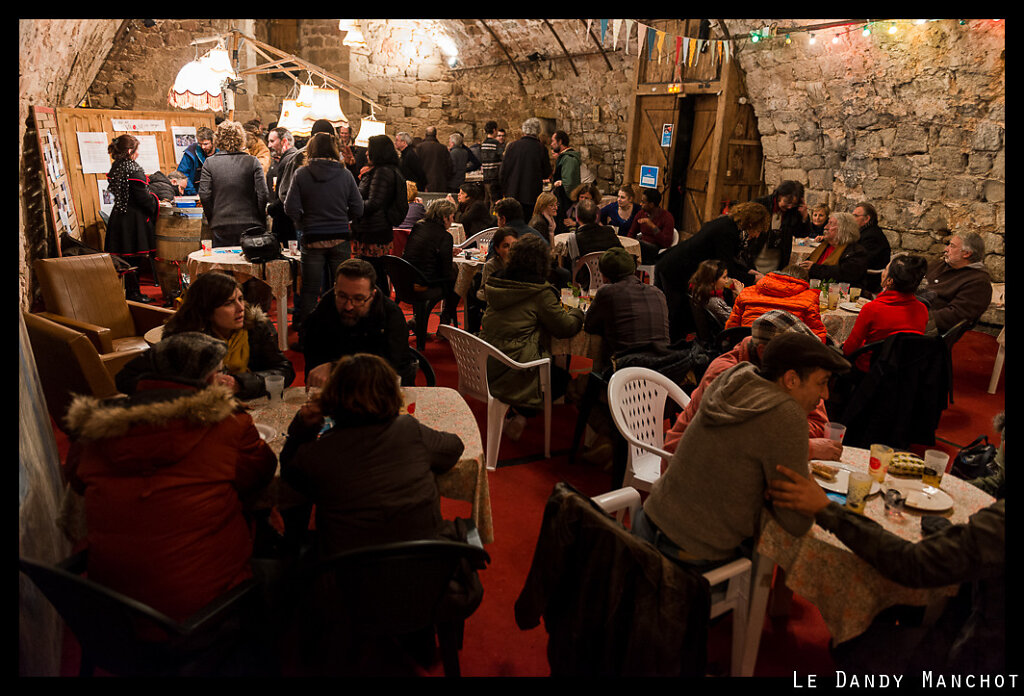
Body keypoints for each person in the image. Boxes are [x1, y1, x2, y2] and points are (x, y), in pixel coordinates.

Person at [64, 330, 277, 621]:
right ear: (210, 379)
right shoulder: (228, 427)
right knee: (286, 564)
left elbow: (75, 488)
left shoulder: (93, 430)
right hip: (206, 611)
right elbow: (261, 473)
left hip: (113, 614)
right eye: (220, 371)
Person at [635, 331, 850, 568]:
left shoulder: (734, 379)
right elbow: (795, 523)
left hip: (647, 522)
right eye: (821, 383)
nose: (826, 395)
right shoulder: (787, 415)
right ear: (791, 380)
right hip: (685, 555)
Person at [768, 458, 1004, 674]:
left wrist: (826, 510)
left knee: (850, 645)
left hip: (978, 656)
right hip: (975, 624)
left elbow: (912, 563)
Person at [278, 353, 463, 558]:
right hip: (428, 575)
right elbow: (454, 448)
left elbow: (288, 474)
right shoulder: (409, 430)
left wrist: (302, 426)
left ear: (331, 398)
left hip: (348, 580)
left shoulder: (318, 453)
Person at [664, 310, 839, 462]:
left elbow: (818, 425)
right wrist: (805, 447)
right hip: (691, 462)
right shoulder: (725, 374)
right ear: (763, 352)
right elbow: (734, 444)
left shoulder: (794, 374)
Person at [117, 270, 294, 400]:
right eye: (229, 303)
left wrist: (240, 383)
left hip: (250, 401)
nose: (241, 308)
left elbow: (284, 370)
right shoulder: (185, 339)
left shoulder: (255, 326)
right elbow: (126, 380)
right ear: (207, 309)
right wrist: (197, 387)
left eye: (240, 299)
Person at [480, 234, 584, 438]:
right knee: (563, 379)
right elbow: (565, 327)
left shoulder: (497, 283)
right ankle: (522, 412)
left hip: (486, 360)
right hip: (515, 367)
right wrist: (578, 310)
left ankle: (517, 414)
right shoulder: (539, 293)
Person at [284, 131, 364, 340]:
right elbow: (358, 208)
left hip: (312, 238)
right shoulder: (345, 175)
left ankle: (308, 337)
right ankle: (340, 333)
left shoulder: (302, 174)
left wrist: (303, 222)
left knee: (310, 290)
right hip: (340, 237)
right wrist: (342, 218)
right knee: (342, 289)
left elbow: (290, 207)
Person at [656, 201, 770, 342]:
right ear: (751, 224)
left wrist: (750, 271)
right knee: (674, 314)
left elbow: (731, 260)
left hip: (681, 265)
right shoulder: (727, 232)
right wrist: (753, 279)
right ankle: (672, 350)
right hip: (675, 268)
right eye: (758, 231)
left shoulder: (730, 225)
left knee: (680, 314)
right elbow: (727, 268)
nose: (757, 236)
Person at [302, 258, 416, 388]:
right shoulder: (323, 310)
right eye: (342, 296)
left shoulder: (391, 315)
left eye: (358, 299)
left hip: (381, 391)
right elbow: (313, 366)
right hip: (336, 392)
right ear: (335, 288)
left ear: (372, 295)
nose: (348, 306)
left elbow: (389, 368)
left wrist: (335, 367)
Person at [583, 246, 670, 369]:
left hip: (628, 371)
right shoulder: (658, 292)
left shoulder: (607, 292)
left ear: (604, 276)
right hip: (664, 367)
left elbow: (589, 326)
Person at [843, 253, 929, 371]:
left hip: (871, 370)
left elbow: (849, 350)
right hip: (904, 371)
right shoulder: (922, 309)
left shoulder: (872, 309)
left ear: (889, 281)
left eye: (885, 269)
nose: (882, 272)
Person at [103, 134, 160, 303]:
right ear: (130, 151)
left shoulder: (117, 166)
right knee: (131, 258)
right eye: (136, 150)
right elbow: (143, 198)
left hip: (119, 216)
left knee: (124, 258)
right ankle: (134, 294)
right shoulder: (132, 169)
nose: (138, 154)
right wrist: (155, 200)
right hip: (132, 220)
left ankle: (130, 292)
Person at [198, 120, 269, 247]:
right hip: (251, 223)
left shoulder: (209, 163)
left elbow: (204, 195)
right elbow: (263, 194)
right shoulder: (253, 162)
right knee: (248, 263)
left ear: (217, 140)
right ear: (241, 138)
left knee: (223, 263)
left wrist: (213, 217)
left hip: (220, 224)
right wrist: (259, 216)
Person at [352, 134, 408, 295]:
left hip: (374, 231)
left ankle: (378, 308)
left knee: (373, 273)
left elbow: (374, 203)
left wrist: (352, 206)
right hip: (376, 229)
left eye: (370, 150)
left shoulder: (382, 172)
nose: (367, 153)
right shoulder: (385, 170)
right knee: (374, 272)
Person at [725, 264, 828, 341]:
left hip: (749, 347)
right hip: (785, 354)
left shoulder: (747, 292)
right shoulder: (809, 298)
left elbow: (731, 328)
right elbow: (817, 333)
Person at [918, 231, 992, 335]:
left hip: (928, 331)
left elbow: (955, 315)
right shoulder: (940, 265)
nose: (946, 249)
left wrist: (915, 317)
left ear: (966, 253)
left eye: (952, 246)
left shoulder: (978, 282)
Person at [403, 198, 461, 326]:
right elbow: (445, 272)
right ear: (444, 217)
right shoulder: (445, 236)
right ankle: (445, 320)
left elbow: (423, 251)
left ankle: (418, 319)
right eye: (452, 217)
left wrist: (445, 252)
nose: (453, 221)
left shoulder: (419, 226)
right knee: (456, 282)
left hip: (405, 281)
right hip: (424, 284)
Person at [750, 180, 812, 276]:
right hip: (755, 257)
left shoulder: (792, 212)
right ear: (779, 195)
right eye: (787, 202)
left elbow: (802, 233)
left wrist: (804, 216)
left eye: (793, 204)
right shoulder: (761, 204)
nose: (789, 206)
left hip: (776, 262)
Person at [798, 211, 869, 285]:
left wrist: (814, 268)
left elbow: (845, 274)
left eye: (830, 223)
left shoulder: (856, 251)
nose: (825, 227)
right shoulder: (824, 246)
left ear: (843, 229)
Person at [499, 117, 550, 216]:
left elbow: (503, 172)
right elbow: (546, 173)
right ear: (538, 131)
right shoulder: (540, 148)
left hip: (512, 193)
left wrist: (504, 190)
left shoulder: (512, 146)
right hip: (531, 194)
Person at [266, 126, 300, 244]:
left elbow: (284, 196)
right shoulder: (293, 158)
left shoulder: (288, 161)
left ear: (284, 141)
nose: (269, 145)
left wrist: (270, 209)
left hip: (287, 223)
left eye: (272, 141)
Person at [568, 198, 623, 268]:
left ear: (577, 218)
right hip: (610, 275)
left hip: (585, 277)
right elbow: (621, 253)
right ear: (597, 216)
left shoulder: (574, 238)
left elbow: (571, 263)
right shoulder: (609, 231)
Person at [851, 201, 892, 294]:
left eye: (855, 216)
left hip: (869, 279)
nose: (852, 219)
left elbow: (862, 260)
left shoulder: (871, 236)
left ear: (866, 219)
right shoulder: (866, 231)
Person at [627, 187, 675, 264]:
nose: (640, 204)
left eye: (643, 202)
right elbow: (631, 232)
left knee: (638, 244)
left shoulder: (667, 217)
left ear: (651, 204)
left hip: (656, 251)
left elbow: (666, 243)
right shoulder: (641, 213)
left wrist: (652, 226)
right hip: (642, 247)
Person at [688, 259, 742, 327]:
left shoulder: (697, 290)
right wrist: (740, 296)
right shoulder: (714, 301)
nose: (727, 281)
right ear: (712, 281)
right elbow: (737, 321)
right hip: (727, 334)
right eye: (724, 277)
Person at [549, 130, 581, 227]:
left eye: (553, 141)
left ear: (560, 142)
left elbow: (569, 183)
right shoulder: (564, 157)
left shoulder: (569, 158)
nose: (551, 144)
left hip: (565, 202)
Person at [176, 126, 216, 195]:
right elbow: (182, 174)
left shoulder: (220, 154)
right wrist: (193, 193)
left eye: (205, 144)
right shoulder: (190, 152)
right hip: (194, 193)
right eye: (200, 144)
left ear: (213, 142)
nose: (203, 147)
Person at [416, 125, 453, 193]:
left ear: (426, 135)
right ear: (436, 135)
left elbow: (417, 166)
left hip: (424, 183)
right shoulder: (443, 148)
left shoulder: (419, 147)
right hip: (440, 182)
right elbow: (449, 166)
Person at [478, 120, 503, 204]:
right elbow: (502, 158)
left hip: (485, 177)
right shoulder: (496, 144)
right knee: (495, 202)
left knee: (487, 201)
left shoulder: (483, 144)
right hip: (494, 177)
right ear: (494, 130)